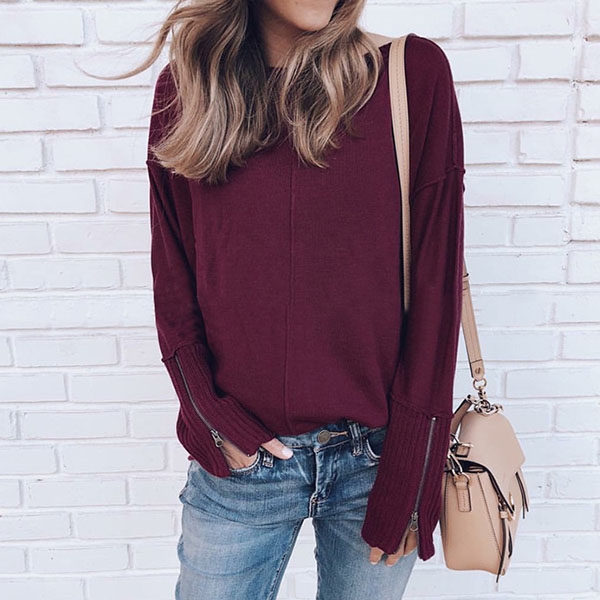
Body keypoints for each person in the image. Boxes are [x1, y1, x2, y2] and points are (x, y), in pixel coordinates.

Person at [142, 0, 465, 598]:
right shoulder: (187, 91)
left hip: (378, 461)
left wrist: (411, 468)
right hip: (240, 462)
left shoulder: (409, 75)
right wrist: (212, 416)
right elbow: (174, 276)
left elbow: (436, 286)